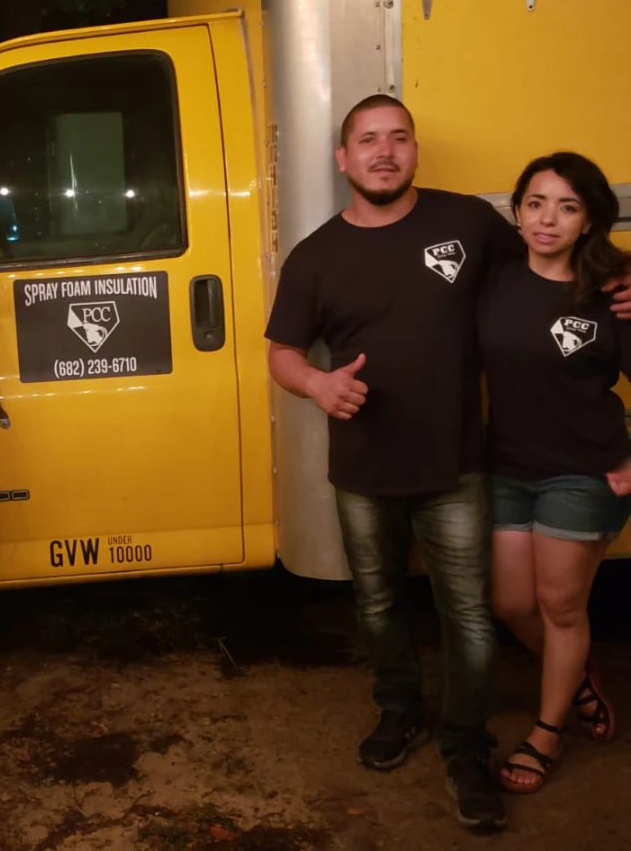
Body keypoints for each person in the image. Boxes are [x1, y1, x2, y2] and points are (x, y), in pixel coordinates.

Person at [264, 94, 631, 832]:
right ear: (343, 159)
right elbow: (282, 352)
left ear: (415, 151)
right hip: (362, 469)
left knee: (469, 613)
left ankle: (468, 748)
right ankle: (399, 712)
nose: (384, 151)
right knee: (376, 604)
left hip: (462, 465)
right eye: (367, 140)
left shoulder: (467, 223)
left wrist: (622, 282)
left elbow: (554, 266)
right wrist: (317, 384)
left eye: (398, 137)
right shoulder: (314, 256)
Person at [479, 152, 631, 794]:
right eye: (536, 203)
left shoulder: (612, 293)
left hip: (584, 471)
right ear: (516, 211)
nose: (548, 219)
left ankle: (547, 729)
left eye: (567, 207)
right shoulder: (492, 281)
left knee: (561, 605)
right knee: (512, 603)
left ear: (589, 221)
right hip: (508, 466)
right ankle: (582, 683)